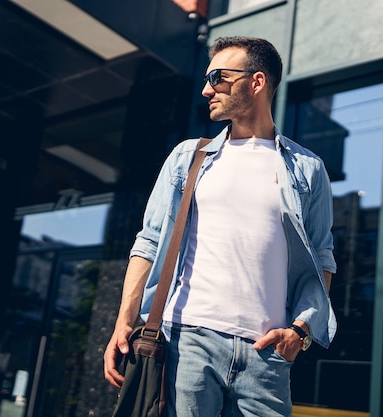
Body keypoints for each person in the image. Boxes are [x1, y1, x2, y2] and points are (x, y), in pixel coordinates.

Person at [104, 36, 336, 417]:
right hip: (188, 342)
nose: (206, 88)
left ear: (256, 82)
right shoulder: (188, 157)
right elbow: (149, 242)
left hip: (267, 357)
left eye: (218, 77)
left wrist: (300, 331)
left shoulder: (307, 169)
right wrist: (123, 322)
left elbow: (321, 261)